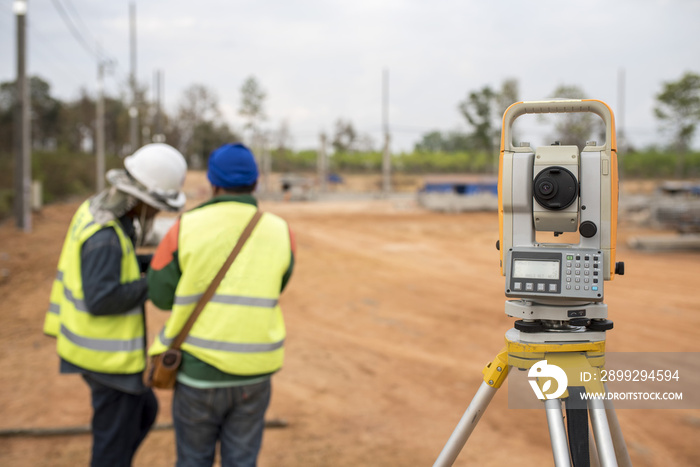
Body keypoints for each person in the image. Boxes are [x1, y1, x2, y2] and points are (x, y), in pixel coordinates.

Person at [147, 143, 295, 467]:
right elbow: (277, 284)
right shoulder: (281, 231)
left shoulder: (184, 227)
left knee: (193, 460)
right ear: (255, 184)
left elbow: (158, 295)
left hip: (198, 375)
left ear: (213, 184)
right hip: (254, 376)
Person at [43, 143, 188, 467]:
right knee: (112, 446)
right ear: (140, 198)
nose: (156, 213)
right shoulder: (105, 236)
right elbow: (102, 298)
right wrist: (155, 282)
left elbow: (117, 266)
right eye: (155, 206)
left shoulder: (101, 212)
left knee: (143, 412)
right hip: (107, 362)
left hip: (100, 356)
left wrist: (151, 263)